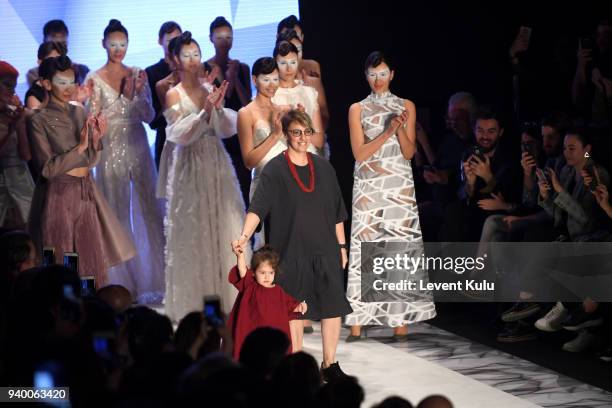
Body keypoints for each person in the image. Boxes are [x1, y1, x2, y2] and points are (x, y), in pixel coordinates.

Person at [232, 110, 352, 382]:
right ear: (286, 135)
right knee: (295, 309)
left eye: (306, 132)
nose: (302, 138)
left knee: (332, 306)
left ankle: (329, 364)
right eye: (296, 132)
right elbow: (258, 208)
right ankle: (296, 362)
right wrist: (243, 235)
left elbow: (337, 211)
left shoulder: (323, 167)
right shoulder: (275, 169)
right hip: (290, 251)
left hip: (325, 250)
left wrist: (341, 247)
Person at [344, 51, 436, 341]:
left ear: (392, 74)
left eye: (383, 74)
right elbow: (359, 154)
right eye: (373, 74)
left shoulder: (406, 105)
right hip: (370, 187)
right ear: (366, 76)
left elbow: (409, 153)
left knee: (398, 248)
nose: (378, 80)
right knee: (366, 248)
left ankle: (400, 319)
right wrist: (387, 132)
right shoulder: (357, 109)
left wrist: (399, 130)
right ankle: (359, 320)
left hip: (399, 185)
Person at [26, 55, 135, 286]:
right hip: (57, 193)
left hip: (86, 191)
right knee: (61, 256)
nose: (68, 88)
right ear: (46, 83)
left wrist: (96, 141)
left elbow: (91, 160)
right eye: (61, 82)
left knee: (91, 257)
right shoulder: (38, 119)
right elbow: (47, 169)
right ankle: (63, 307)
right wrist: (81, 147)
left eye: (71, 82)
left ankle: (90, 308)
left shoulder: (79, 112)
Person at [162, 31, 249, 322]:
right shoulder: (173, 93)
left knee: (224, 222)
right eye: (185, 55)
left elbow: (225, 127)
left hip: (215, 159)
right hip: (190, 163)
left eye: (196, 54)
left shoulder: (208, 85)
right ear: (175, 58)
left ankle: (229, 298)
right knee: (195, 227)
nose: (192, 60)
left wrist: (218, 108)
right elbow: (178, 134)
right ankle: (197, 303)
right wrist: (204, 112)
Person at [86, 19, 165, 304]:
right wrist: (119, 98)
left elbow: (147, 115)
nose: (118, 49)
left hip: (137, 142)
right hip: (109, 148)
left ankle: (154, 279)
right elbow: (92, 118)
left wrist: (137, 93)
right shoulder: (94, 79)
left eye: (123, 44)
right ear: (104, 44)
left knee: (147, 208)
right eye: (113, 44)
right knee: (116, 209)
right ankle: (121, 283)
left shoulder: (138, 73)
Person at [204, 16, 252, 205]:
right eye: (220, 37)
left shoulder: (242, 67)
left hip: (239, 134)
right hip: (216, 134)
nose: (225, 42)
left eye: (228, 37)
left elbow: (246, 103)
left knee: (244, 185)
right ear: (211, 39)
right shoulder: (205, 68)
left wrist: (234, 78)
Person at [228, 245, 306, 360]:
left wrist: (299, 307)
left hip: (273, 338)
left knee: (272, 359)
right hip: (253, 335)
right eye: (262, 272)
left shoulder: (278, 291)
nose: (267, 277)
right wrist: (240, 256)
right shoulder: (251, 285)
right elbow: (242, 271)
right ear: (254, 272)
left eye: (271, 273)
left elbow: (289, 305)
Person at [271, 41, 325, 157]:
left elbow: (319, 141)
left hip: (307, 159)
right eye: (283, 63)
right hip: (278, 160)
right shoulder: (270, 95)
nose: (289, 68)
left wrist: (303, 124)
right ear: (275, 63)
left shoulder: (309, 93)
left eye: (293, 62)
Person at [0, 62, 35, 229]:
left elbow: (26, 155)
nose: (12, 91)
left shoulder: (14, 113)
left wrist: (19, 122)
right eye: (7, 85)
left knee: (28, 233)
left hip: (20, 180)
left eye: (13, 87)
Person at [145, 21, 182, 169]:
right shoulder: (152, 73)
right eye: (169, 40)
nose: (173, 44)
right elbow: (152, 120)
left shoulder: (193, 70)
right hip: (166, 140)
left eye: (177, 39)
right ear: (160, 41)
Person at [27, 20, 89, 87]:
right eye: (54, 44)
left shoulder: (82, 70)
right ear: (44, 41)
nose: (59, 49)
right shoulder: (34, 74)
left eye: (62, 43)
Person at [25, 42, 66, 109]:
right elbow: (39, 118)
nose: (56, 65)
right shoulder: (33, 96)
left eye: (59, 61)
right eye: (51, 60)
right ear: (39, 62)